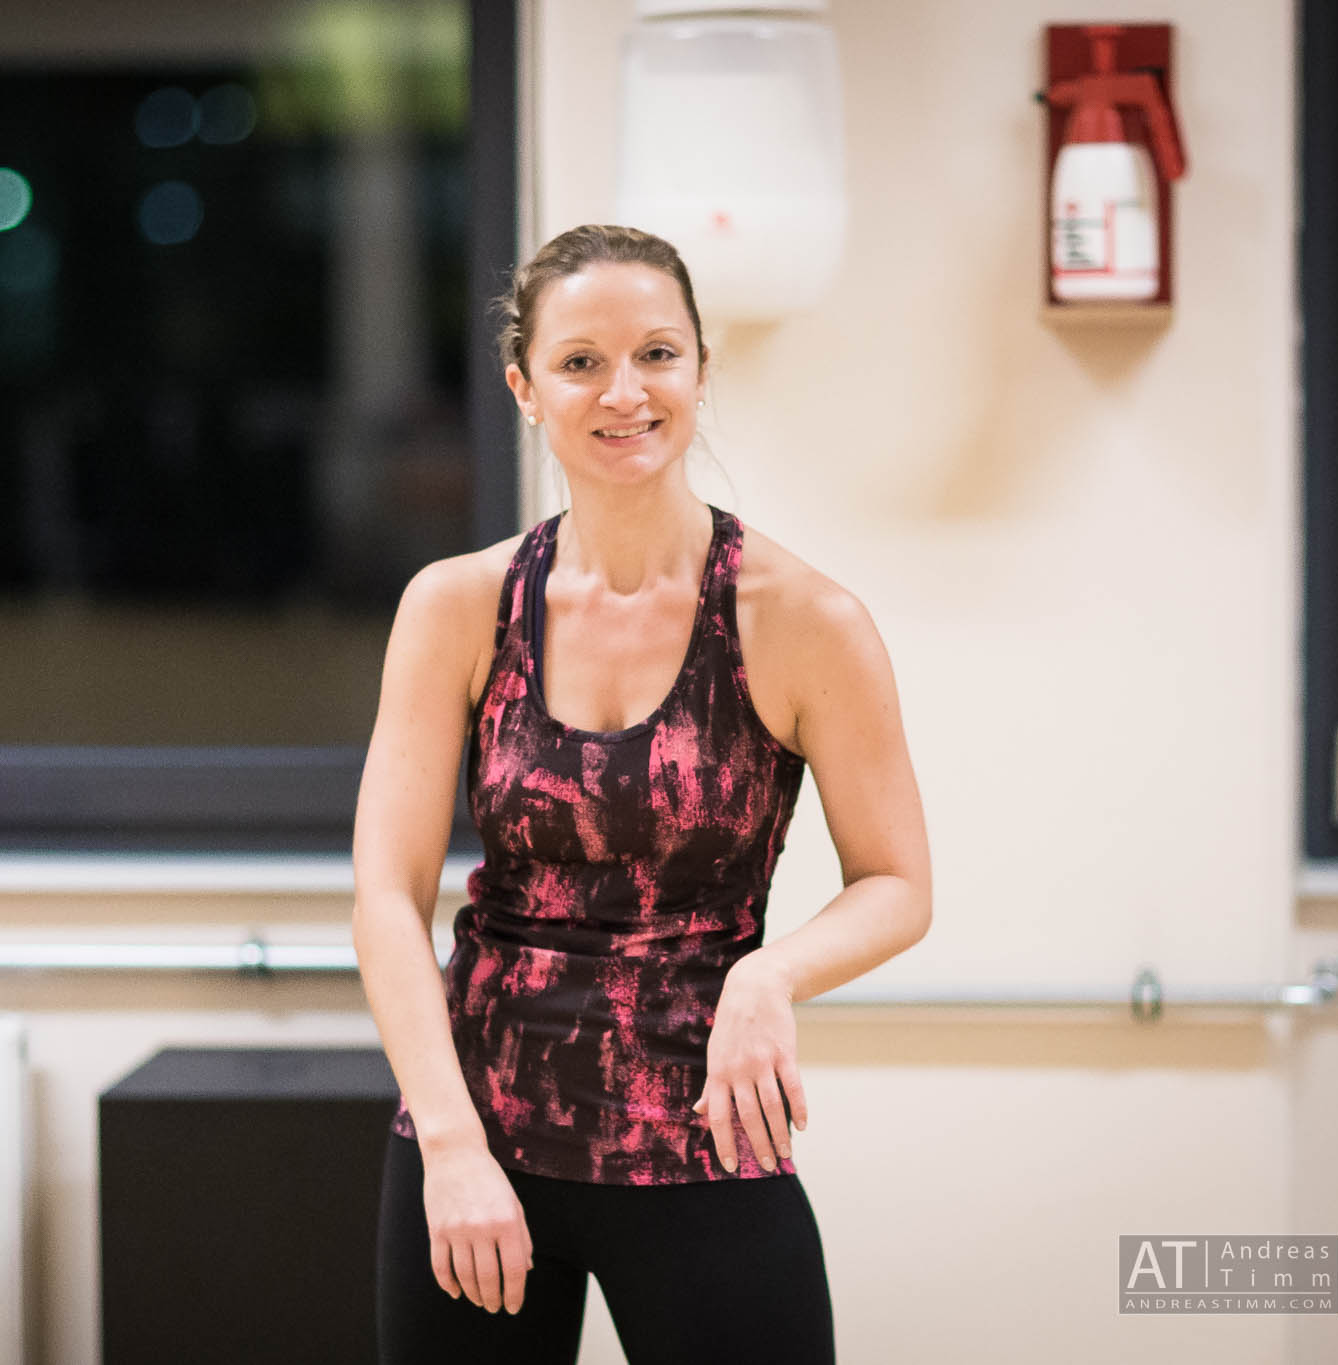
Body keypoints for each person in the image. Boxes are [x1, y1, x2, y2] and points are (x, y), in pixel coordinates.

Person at [351, 223, 932, 1363]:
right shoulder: (457, 606)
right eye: (580, 362)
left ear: (700, 371)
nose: (624, 391)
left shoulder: (804, 620)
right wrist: (449, 1146)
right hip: (481, 1145)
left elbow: (898, 883)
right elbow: (385, 894)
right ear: (525, 388)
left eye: (657, 354)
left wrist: (773, 972)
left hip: (700, 1142)